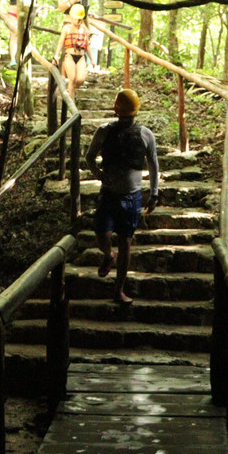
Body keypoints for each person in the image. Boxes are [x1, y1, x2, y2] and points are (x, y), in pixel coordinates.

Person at [84, 88, 159, 304]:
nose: (126, 119)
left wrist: (154, 193)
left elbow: (153, 164)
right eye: (123, 116)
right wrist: (98, 174)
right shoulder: (104, 131)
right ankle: (108, 255)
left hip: (132, 197)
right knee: (100, 233)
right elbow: (89, 156)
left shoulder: (145, 134)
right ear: (117, 113)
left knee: (126, 242)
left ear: (134, 114)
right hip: (109, 194)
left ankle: (119, 290)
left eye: (129, 116)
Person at [53, 3, 89, 98]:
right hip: (69, 56)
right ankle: (71, 106)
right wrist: (56, 55)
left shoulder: (84, 29)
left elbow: (87, 45)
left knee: (80, 80)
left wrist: (92, 60)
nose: (78, 20)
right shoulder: (67, 28)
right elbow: (61, 42)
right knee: (72, 79)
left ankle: (70, 90)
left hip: (81, 56)